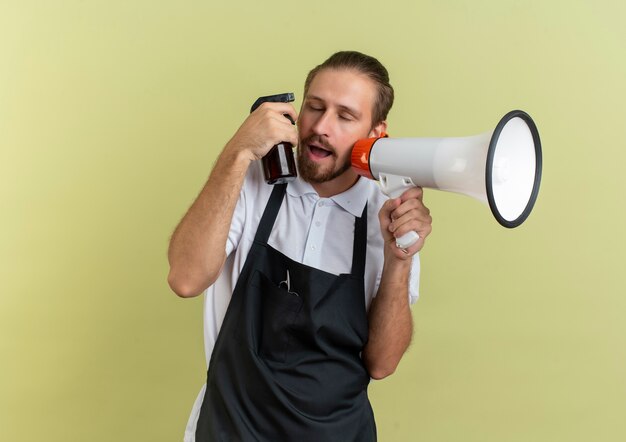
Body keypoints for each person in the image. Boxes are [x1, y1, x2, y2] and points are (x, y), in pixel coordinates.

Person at [168, 50, 433, 442]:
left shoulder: (389, 217)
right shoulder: (250, 182)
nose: (322, 127)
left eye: (345, 116)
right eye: (315, 107)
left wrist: (399, 259)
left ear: (376, 134)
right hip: (228, 430)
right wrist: (238, 151)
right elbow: (185, 279)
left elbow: (382, 363)